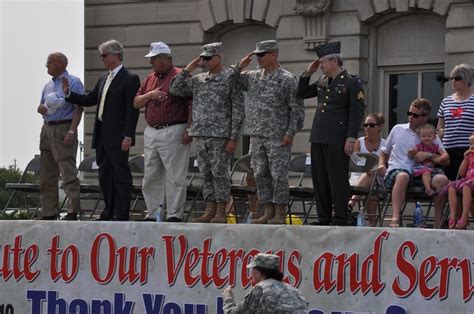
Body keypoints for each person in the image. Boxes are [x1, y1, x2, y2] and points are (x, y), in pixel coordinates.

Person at [63, 39, 140, 221]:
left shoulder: (130, 78)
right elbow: (90, 99)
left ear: (116, 55)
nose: (102, 59)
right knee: (105, 175)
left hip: (119, 135)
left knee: (120, 174)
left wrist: (128, 135)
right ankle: (108, 210)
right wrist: (68, 94)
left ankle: (121, 213)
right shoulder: (103, 78)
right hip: (102, 135)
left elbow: (132, 110)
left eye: (104, 55)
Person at [231, 40, 305, 224]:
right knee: (259, 174)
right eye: (256, 55)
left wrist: (290, 133)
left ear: (274, 55)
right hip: (256, 135)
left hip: (278, 136)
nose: (258, 58)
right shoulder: (253, 76)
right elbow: (230, 80)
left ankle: (279, 213)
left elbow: (297, 110)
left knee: (278, 175)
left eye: (262, 55)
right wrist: (240, 66)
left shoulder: (287, 79)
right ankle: (267, 211)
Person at [169, 42, 244, 223]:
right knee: (206, 173)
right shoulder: (199, 79)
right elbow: (175, 89)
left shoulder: (230, 78)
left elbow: (238, 110)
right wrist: (187, 70)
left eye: (209, 58)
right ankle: (209, 210)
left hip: (220, 135)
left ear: (219, 57)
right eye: (203, 58)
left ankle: (221, 211)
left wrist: (234, 137)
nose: (205, 62)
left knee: (220, 173)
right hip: (201, 134)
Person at [296, 41, 365, 226]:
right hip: (319, 135)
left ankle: (341, 217)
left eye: (323, 62)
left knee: (337, 178)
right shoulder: (322, 81)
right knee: (320, 178)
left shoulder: (351, 81)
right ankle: (323, 217)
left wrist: (351, 137)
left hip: (338, 137)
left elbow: (356, 111)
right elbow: (300, 92)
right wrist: (308, 72)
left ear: (334, 61)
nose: (321, 66)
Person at [133, 42, 192, 222]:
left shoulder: (180, 76)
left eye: (155, 59)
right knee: (151, 175)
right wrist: (150, 95)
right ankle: (153, 213)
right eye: (151, 59)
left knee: (175, 176)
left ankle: (174, 214)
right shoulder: (150, 79)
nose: (151, 62)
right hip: (152, 131)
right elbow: (136, 102)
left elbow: (191, 103)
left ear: (166, 59)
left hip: (173, 129)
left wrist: (189, 128)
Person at [378, 98, 449, 228]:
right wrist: (382, 164)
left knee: (442, 180)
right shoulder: (397, 129)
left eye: (415, 115)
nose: (410, 117)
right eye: (409, 113)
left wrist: (428, 155)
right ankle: (395, 218)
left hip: (421, 171)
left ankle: (438, 221)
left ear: (425, 117)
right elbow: (384, 152)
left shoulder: (430, 135)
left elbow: (446, 160)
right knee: (403, 176)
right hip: (398, 170)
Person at [37, 52, 84, 220]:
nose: (46, 66)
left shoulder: (73, 82)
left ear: (59, 63)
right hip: (47, 127)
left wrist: (72, 130)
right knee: (47, 173)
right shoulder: (48, 86)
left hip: (64, 126)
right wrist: (40, 108)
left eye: (49, 63)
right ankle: (49, 212)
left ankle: (72, 211)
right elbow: (42, 105)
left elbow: (79, 107)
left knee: (67, 170)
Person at [222, 253, 308, 313]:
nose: (251, 272)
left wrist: (228, 298)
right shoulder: (294, 291)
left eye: (253, 269)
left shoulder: (261, 288)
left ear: (259, 272)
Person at [437, 64, 474, 181]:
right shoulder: (446, 101)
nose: (453, 81)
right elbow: (440, 126)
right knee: (450, 185)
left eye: (457, 78)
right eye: (451, 78)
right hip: (447, 150)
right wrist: (440, 133)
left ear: (467, 79)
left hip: (467, 150)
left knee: (465, 186)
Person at [347, 113, 386, 226]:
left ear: (380, 127)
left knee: (372, 181)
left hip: (377, 179)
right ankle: (371, 222)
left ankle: (351, 204)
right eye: (366, 125)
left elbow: (384, 163)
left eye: (371, 125)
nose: (368, 127)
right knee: (370, 183)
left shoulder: (384, 144)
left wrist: (375, 168)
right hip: (358, 177)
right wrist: (367, 168)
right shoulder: (359, 142)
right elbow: (355, 162)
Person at [445, 133, 474, 229]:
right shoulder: (469, 156)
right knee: (452, 186)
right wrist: (465, 159)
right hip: (469, 179)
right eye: (470, 144)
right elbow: (461, 173)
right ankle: (453, 216)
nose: (472, 147)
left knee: (466, 186)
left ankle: (464, 216)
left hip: (470, 183)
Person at [410, 124, 448, 196]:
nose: (426, 138)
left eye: (429, 136)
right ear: (420, 137)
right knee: (426, 171)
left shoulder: (436, 146)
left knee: (441, 175)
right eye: (423, 136)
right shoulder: (420, 146)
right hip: (420, 167)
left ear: (434, 137)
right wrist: (412, 152)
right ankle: (428, 189)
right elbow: (412, 152)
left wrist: (440, 158)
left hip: (432, 168)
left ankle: (438, 192)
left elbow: (445, 155)